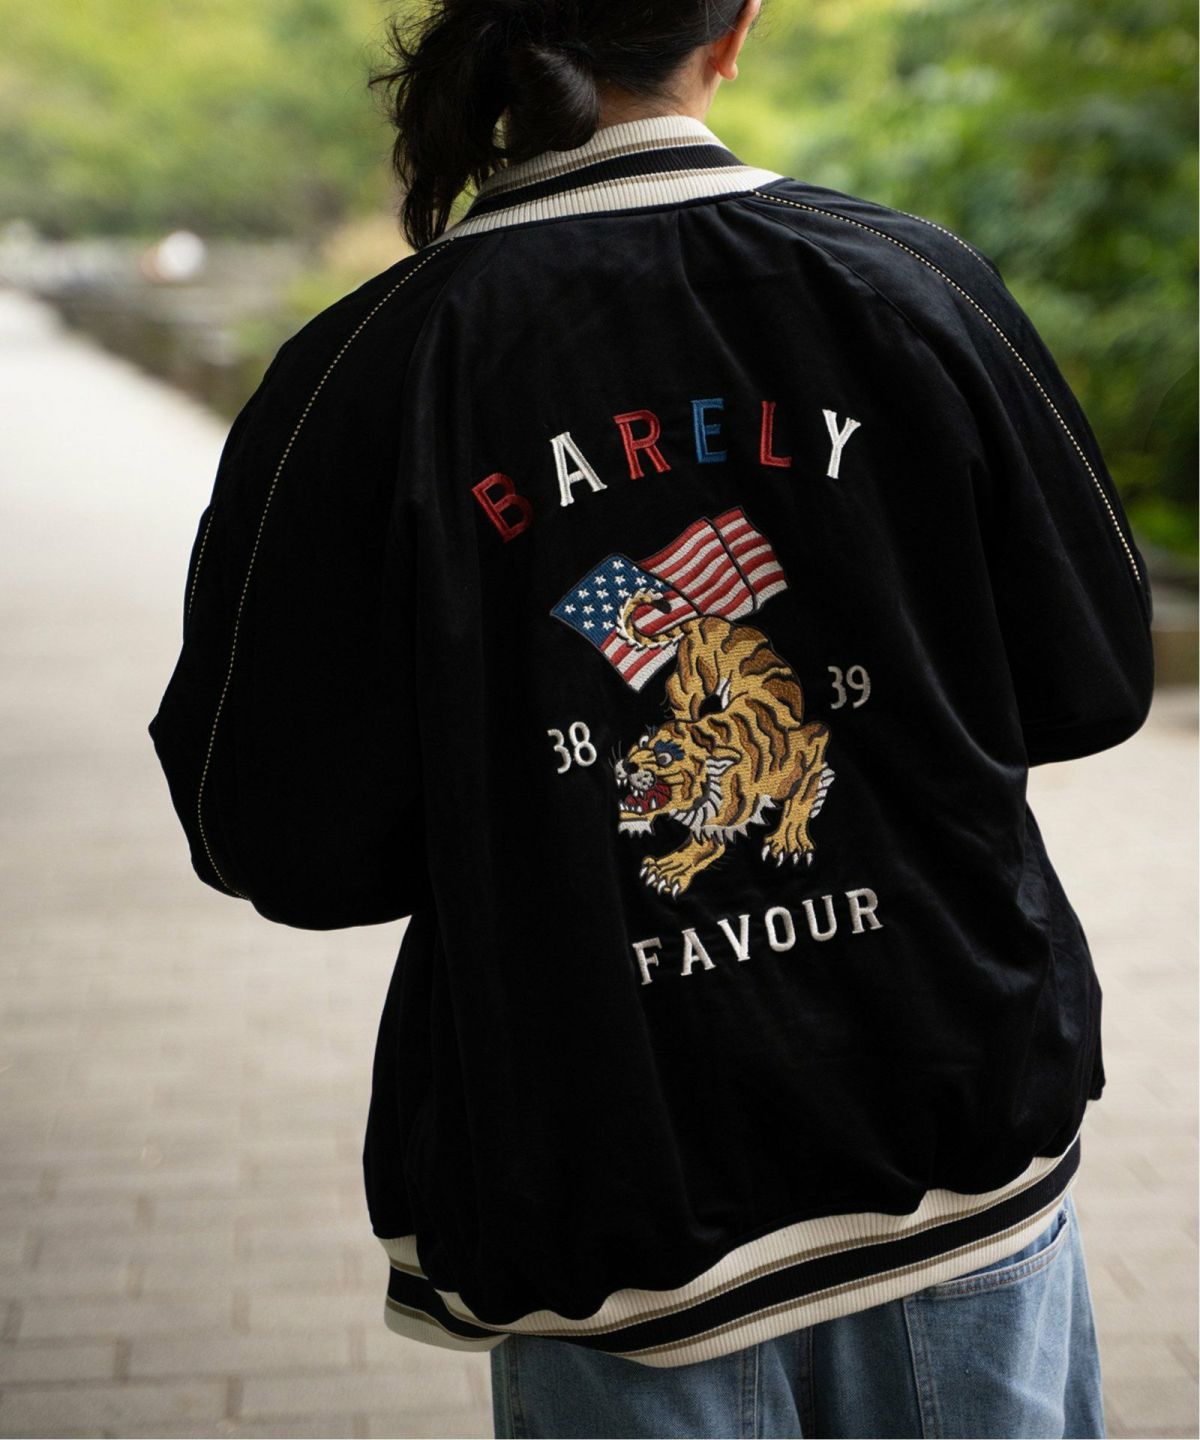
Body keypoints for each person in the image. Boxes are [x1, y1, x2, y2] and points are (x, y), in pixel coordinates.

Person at [147, 0, 1155, 1434]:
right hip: (946, 1111)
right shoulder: (911, 285)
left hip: (602, 1170)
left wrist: (513, 782)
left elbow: (275, 838)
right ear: (735, 28)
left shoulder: (365, 373)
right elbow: (1094, 679)